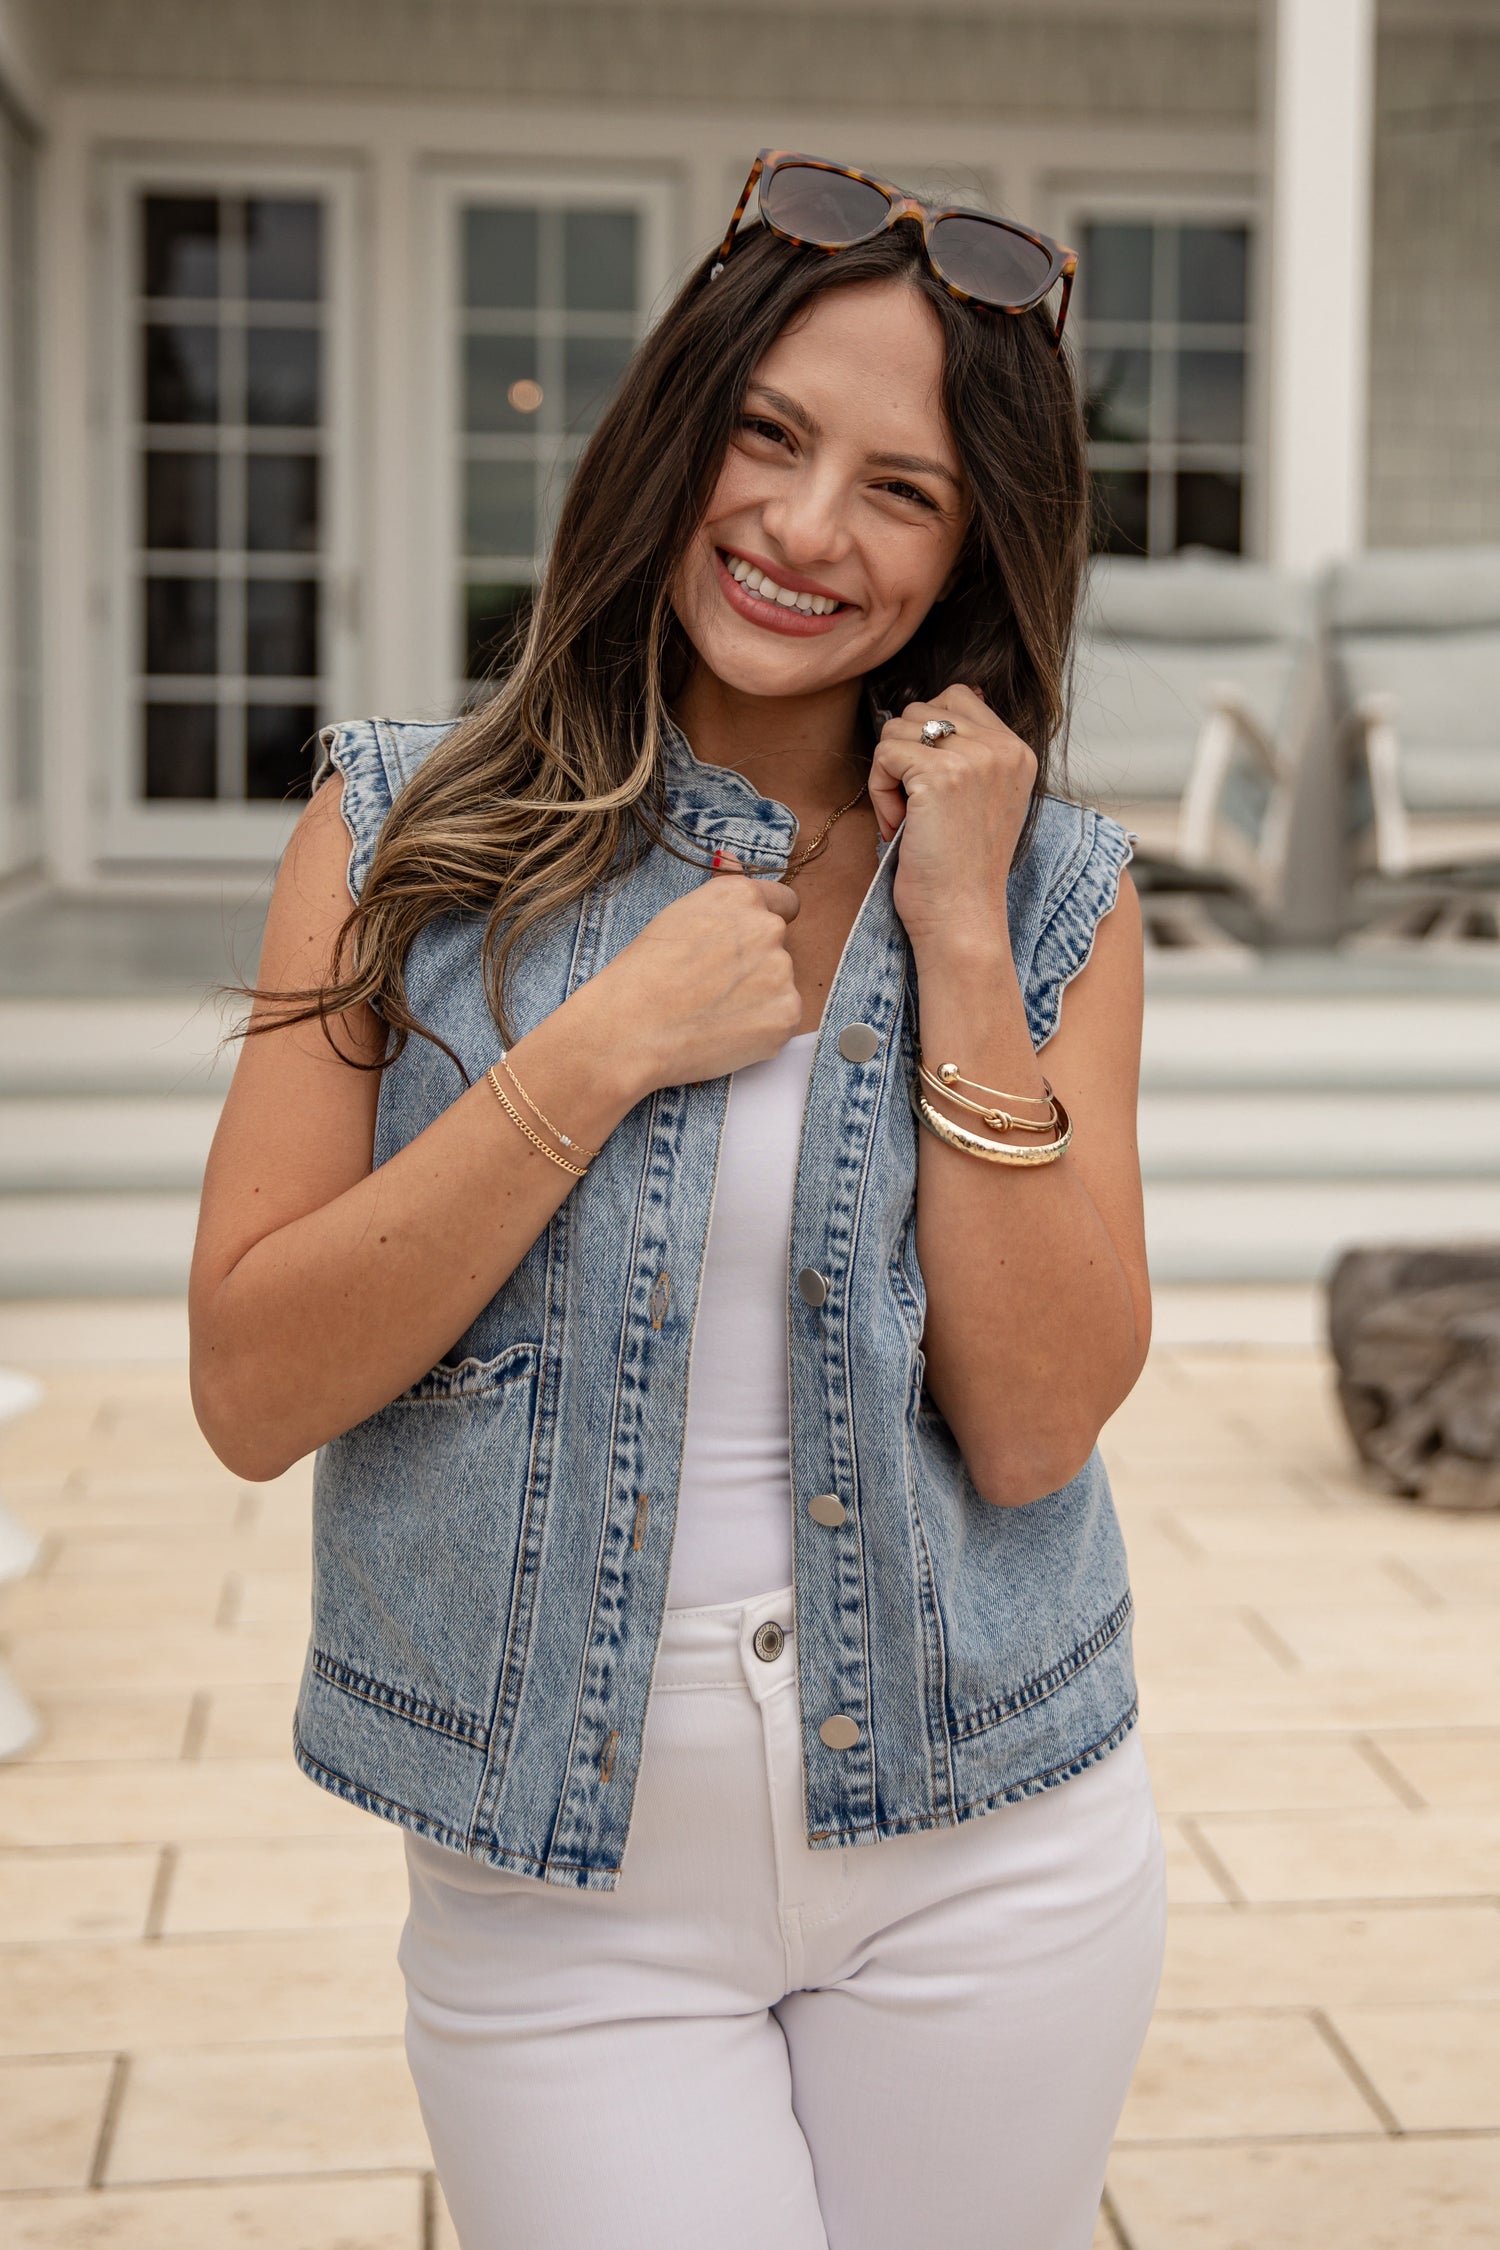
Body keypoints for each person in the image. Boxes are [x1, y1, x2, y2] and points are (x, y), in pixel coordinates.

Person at [190, 148, 1165, 2250]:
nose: (810, 530)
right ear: (675, 434)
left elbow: (1036, 1421)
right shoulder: (399, 832)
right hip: (566, 1889)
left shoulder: (1061, 895)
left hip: (995, 1836)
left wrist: (965, 932)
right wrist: (597, 1049)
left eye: (902, 488)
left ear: (978, 542)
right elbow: (255, 1384)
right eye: (770, 435)